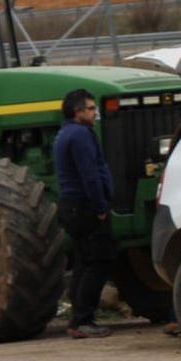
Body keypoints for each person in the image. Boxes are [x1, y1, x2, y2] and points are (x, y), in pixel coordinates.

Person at [53, 89, 118, 339]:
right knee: (100, 260)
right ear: (78, 112)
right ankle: (83, 319)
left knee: (83, 261)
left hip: (71, 205)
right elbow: (89, 174)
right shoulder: (80, 135)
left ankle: (78, 319)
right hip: (84, 206)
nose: (95, 113)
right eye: (91, 108)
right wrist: (100, 207)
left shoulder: (66, 132)